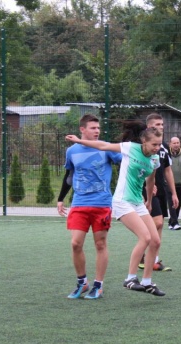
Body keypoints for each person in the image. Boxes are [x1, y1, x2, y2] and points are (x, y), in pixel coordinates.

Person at [65, 126, 168, 296]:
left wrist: (149, 201)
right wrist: (79, 140)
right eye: (154, 144)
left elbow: (151, 180)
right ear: (144, 141)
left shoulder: (155, 158)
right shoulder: (130, 148)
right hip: (122, 201)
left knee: (155, 241)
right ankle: (130, 279)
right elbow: (103, 146)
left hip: (138, 203)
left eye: (159, 144)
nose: (157, 148)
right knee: (145, 237)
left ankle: (147, 282)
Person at [57, 114, 122, 299]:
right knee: (75, 243)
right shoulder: (72, 151)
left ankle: (98, 285)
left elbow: (125, 164)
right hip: (79, 203)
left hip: (102, 203)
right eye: (93, 128)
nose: (97, 131)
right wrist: (61, 198)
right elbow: (69, 176)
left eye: (98, 128)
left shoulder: (106, 147)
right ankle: (82, 283)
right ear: (82, 129)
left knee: (100, 244)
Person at [138, 113, 178, 271]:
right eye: (157, 124)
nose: (161, 127)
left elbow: (168, 170)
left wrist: (173, 193)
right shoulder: (141, 145)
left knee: (159, 225)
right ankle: (143, 255)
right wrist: (145, 185)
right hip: (146, 190)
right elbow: (135, 168)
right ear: (149, 127)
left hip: (160, 190)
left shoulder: (164, 146)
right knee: (157, 223)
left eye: (162, 124)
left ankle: (153, 259)